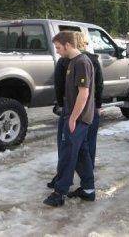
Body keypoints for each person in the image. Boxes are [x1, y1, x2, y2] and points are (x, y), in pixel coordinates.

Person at [43, 31, 95, 207]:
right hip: (76, 116)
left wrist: (72, 118)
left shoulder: (81, 62)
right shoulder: (73, 62)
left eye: (58, 47)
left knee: (67, 153)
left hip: (78, 118)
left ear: (67, 45)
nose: (57, 51)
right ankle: (88, 190)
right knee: (81, 154)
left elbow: (84, 92)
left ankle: (59, 193)